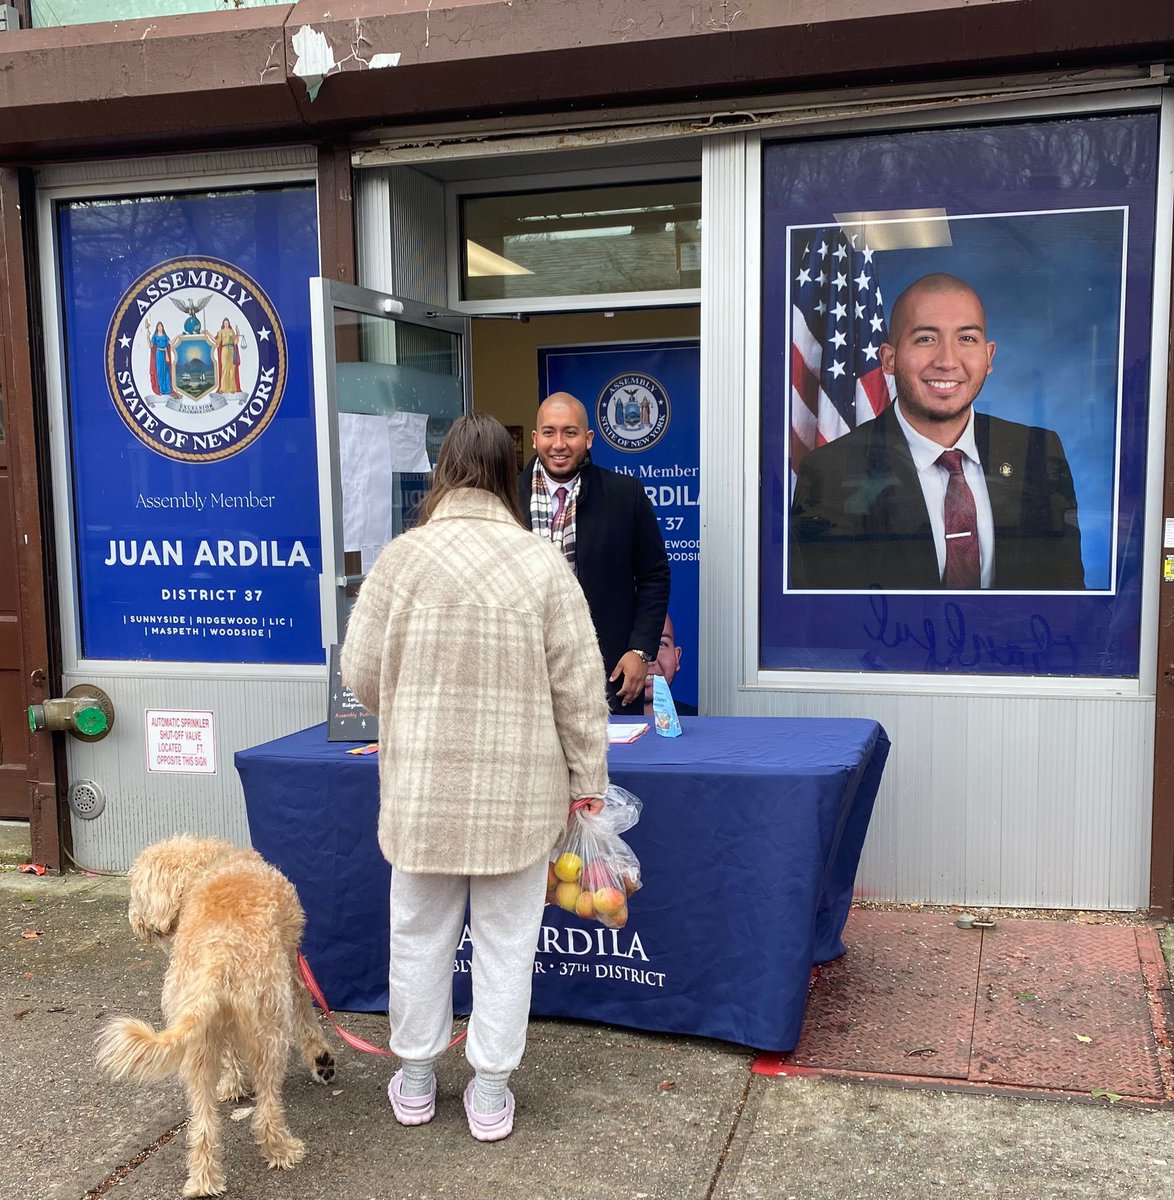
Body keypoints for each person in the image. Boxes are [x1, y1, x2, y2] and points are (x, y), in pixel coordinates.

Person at [341, 412, 609, 1143]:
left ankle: (419, 1077)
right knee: (506, 942)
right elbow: (581, 693)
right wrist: (588, 780)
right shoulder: (542, 562)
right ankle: (489, 1091)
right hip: (520, 800)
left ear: (444, 472)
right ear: (506, 474)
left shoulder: (401, 559)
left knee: (419, 935)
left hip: (422, 794)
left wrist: (415, 697)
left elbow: (361, 676)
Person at [788, 272, 1085, 591]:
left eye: (967, 338)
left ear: (988, 357)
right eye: (925, 339)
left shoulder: (1038, 453)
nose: (947, 361)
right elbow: (830, 623)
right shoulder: (830, 473)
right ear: (889, 359)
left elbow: (1065, 599)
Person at [519, 391, 671, 715]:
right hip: (523, 673)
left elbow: (653, 575)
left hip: (606, 674)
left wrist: (640, 650)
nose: (558, 444)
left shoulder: (623, 495)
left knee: (611, 765)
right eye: (549, 432)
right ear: (535, 439)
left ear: (587, 439)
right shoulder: (504, 497)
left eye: (570, 432)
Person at [643, 613, 698, 717]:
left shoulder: (698, 722)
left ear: (677, 657)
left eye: (661, 644)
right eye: (633, 646)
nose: (650, 659)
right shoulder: (603, 726)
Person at [145, 320, 175, 398]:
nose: (160, 327)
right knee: (159, 372)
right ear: (157, 328)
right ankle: (160, 390)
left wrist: (177, 338)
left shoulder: (165, 336)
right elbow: (150, 346)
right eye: (158, 326)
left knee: (167, 372)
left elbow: (170, 343)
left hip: (165, 355)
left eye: (161, 326)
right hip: (158, 355)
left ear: (163, 327)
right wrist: (147, 336)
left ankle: (168, 390)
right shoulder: (155, 336)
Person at [214, 318, 242, 393]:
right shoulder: (221, 332)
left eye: (227, 323)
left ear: (229, 324)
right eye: (225, 323)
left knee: (232, 368)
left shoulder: (231, 331)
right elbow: (218, 342)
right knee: (224, 368)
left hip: (231, 350)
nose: (226, 324)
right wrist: (209, 334)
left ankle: (232, 388)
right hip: (225, 349)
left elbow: (235, 342)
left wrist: (238, 333)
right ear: (223, 324)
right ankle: (223, 388)